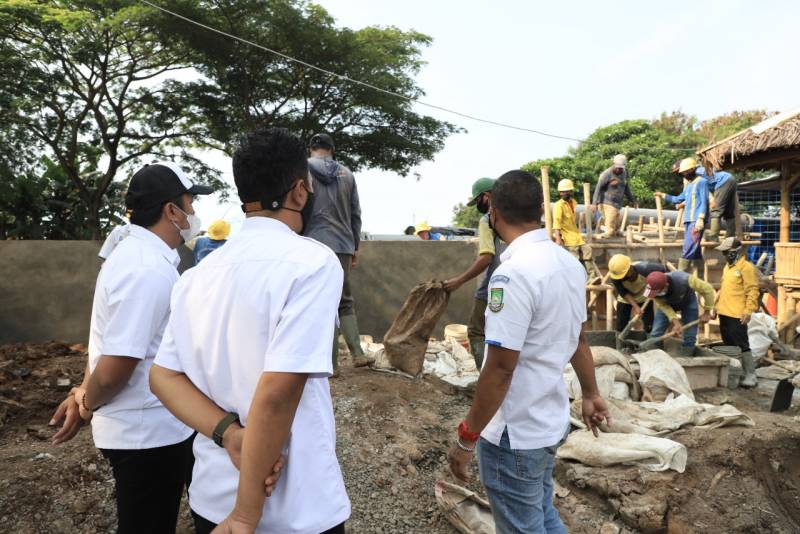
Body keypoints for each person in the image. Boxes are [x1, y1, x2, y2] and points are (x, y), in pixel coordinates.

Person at [150, 128, 351, 534]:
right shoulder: (312, 263)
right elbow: (277, 390)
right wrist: (246, 513)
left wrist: (229, 434)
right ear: (298, 193)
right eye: (309, 188)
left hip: (211, 501)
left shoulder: (197, 275)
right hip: (291, 509)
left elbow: (163, 376)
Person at [49, 161, 213, 533]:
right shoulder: (145, 270)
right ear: (171, 210)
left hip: (152, 427)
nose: (194, 213)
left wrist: (81, 392)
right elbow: (118, 363)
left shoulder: (141, 257)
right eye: (190, 203)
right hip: (147, 434)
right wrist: (87, 403)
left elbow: (107, 344)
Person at [446, 170, 610, 534]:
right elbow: (579, 340)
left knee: (525, 525)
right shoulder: (570, 265)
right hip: (547, 424)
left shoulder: (511, 274)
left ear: (494, 214)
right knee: (541, 515)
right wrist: (592, 393)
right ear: (540, 209)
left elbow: (501, 369)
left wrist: (466, 437)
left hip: (514, 434)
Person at [303, 132, 372, 372]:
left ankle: (329, 363)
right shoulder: (348, 174)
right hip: (342, 244)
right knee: (343, 299)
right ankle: (358, 353)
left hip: (312, 244)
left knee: (321, 302)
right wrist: (354, 247)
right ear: (332, 150)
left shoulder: (304, 170)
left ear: (311, 149)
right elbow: (356, 214)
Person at [444, 177, 505, 364]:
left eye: (477, 200)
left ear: (486, 196)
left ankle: (486, 379)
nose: (477, 205)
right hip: (520, 285)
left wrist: (459, 281)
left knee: (477, 331)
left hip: (495, 288)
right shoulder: (516, 217)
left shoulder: (488, 219)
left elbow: (487, 257)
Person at [715, 237, 760, 387]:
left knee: (741, 344)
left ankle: (750, 374)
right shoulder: (727, 268)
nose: (724, 255)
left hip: (737, 313)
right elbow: (723, 289)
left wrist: (748, 311)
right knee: (729, 344)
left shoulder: (746, 268)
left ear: (735, 252)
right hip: (724, 312)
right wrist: (716, 307)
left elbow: (753, 290)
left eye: (726, 252)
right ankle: (736, 372)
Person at [656, 157, 709, 273]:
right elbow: (678, 199)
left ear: (693, 169)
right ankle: (700, 278)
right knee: (695, 251)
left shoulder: (702, 182)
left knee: (688, 248)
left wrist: (701, 218)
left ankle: (679, 275)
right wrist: (663, 195)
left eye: (686, 172)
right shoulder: (689, 185)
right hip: (688, 220)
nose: (684, 174)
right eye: (683, 173)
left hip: (696, 221)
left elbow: (705, 201)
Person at [644, 270, 715, 355]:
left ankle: (686, 357)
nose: (654, 294)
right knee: (656, 332)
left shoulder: (684, 279)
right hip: (666, 304)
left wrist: (707, 312)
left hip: (687, 301)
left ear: (666, 285)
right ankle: (654, 355)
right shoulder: (651, 289)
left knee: (690, 335)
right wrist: (675, 321)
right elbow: (662, 305)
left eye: (657, 291)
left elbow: (708, 289)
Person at [553, 178, 599, 280]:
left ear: (571, 191)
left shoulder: (573, 202)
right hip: (567, 237)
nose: (565, 193)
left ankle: (592, 278)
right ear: (560, 193)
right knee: (574, 259)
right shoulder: (558, 205)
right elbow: (557, 223)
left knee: (587, 251)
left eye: (567, 191)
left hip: (576, 236)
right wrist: (558, 239)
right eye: (563, 192)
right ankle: (577, 279)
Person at [607, 254, 666, 334]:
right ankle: (620, 343)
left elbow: (662, 273)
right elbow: (623, 293)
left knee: (649, 325)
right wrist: (635, 306)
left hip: (644, 295)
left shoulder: (646, 269)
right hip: (626, 298)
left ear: (630, 268)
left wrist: (650, 293)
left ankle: (648, 342)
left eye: (624, 276)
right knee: (620, 325)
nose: (621, 278)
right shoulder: (615, 276)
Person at [592, 154, 637, 238]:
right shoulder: (606, 174)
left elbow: (626, 188)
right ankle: (600, 239)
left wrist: (633, 200)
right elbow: (598, 188)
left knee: (615, 229)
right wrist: (594, 203)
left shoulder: (624, 173)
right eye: (617, 167)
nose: (618, 170)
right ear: (614, 164)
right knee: (610, 231)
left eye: (620, 168)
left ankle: (602, 227)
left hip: (617, 205)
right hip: (607, 204)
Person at [698, 166, 738, 242]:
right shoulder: (698, 173)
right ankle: (730, 237)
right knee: (728, 212)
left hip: (722, 182)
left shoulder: (697, 171)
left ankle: (713, 237)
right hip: (730, 179)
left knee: (715, 210)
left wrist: (712, 199)